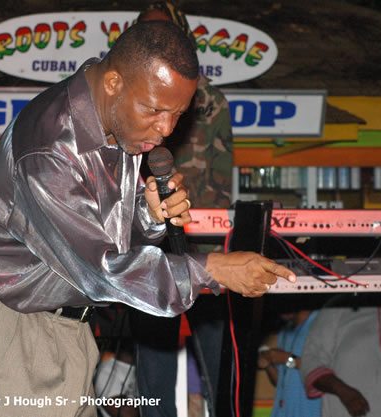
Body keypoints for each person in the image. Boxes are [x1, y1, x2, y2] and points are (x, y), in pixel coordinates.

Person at [0, 20, 295, 417]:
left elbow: (102, 240)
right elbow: (101, 270)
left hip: (69, 328)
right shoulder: (48, 148)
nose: (165, 129)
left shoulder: (116, 125)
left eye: (177, 114)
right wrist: (214, 268)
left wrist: (148, 214)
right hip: (9, 335)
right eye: (155, 110)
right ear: (113, 82)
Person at [130, 3, 233, 417]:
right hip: (150, 246)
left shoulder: (207, 98)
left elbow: (222, 188)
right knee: (153, 367)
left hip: (201, 245)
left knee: (217, 364)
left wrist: (210, 246)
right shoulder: (128, 100)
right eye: (147, 33)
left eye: (165, 32)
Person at [257, 309, 321, 417]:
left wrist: (287, 359)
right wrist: (268, 365)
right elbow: (283, 383)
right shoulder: (285, 331)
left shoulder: (321, 323)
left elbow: (327, 373)